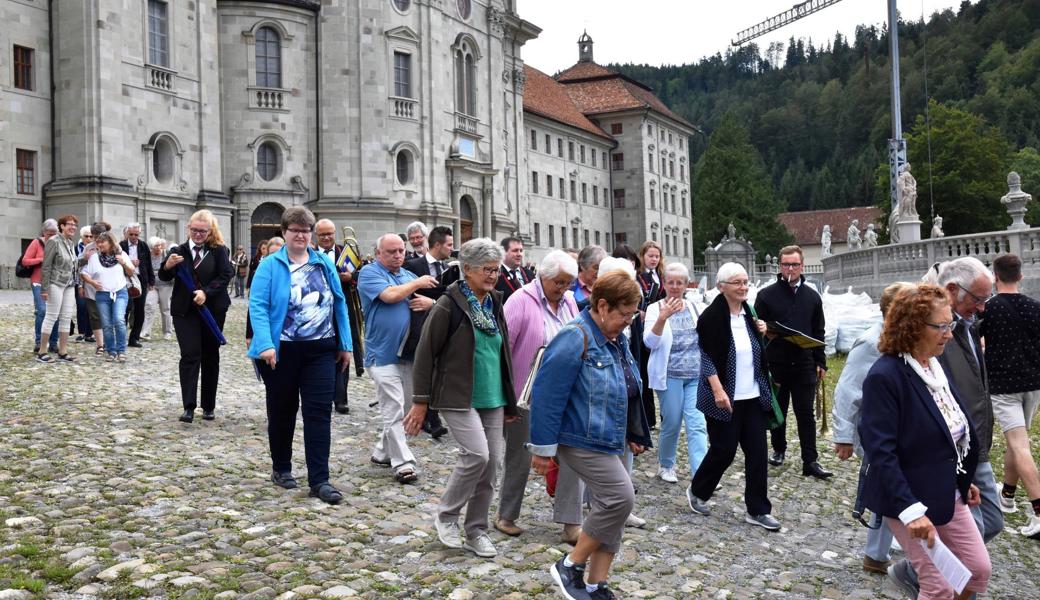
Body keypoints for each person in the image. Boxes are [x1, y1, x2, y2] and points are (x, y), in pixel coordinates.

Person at [859, 284, 990, 600]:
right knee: (938, 586)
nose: (948, 334)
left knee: (977, 569)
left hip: (946, 489)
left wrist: (962, 478)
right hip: (907, 498)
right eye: (941, 326)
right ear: (913, 326)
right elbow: (881, 452)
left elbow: (950, 430)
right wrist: (910, 510)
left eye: (951, 325)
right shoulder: (885, 376)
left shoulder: (935, 366)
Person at [529, 270, 652, 600]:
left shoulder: (616, 339)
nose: (628, 321)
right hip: (579, 437)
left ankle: (596, 584)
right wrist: (542, 448)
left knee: (614, 506)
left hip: (608, 436)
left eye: (632, 314)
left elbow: (627, 388)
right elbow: (547, 394)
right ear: (602, 306)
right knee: (620, 498)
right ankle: (570, 565)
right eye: (624, 314)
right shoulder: (575, 336)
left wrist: (633, 431)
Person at [887, 257, 1004, 595]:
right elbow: (885, 446)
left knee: (983, 547)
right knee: (946, 578)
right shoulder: (899, 367)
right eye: (978, 299)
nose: (981, 308)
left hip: (967, 451)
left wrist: (962, 473)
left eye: (986, 300)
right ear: (952, 290)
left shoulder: (963, 332)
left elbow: (965, 397)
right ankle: (921, 571)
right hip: (931, 470)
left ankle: (923, 570)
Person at [405, 238, 519, 558]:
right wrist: (420, 401)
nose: (493, 275)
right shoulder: (448, 304)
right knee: (477, 456)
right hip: (457, 395)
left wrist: (509, 400)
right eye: (487, 270)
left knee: (491, 465)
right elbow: (426, 353)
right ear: (466, 270)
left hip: (492, 397)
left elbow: (503, 353)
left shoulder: (495, 301)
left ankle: (476, 530)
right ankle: (447, 515)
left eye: (496, 270)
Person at [248, 207, 353, 505]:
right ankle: (281, 467)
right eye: (295, 230)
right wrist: (266, 343)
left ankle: (320, 479)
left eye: (306, 231)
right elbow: (257, 306)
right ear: (284, 232)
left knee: (318, 413)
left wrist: (345, 343)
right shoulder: (270, 265)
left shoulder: (322, 264)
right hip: (281, 352)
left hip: (320, 349)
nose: (301, 235)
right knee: (282, 411)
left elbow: (339, 303)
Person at [495, 250, 582, 542]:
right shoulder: (520, 301)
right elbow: (502, 348)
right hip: (525, 392)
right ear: (543, 277)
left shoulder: (570, 301)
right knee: (520, 456)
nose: (564, 288)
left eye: (568, 283)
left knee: (571, 454)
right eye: (559, 282)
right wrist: (505, 394)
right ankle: (506, 515)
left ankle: (571, 521)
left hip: (565, 392)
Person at [686, 262, 780, 531]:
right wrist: (717, 389)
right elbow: (704, 356)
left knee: (758, 453)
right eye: (737, 283)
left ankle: (758, 509)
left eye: (745, 282)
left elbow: (756, 352)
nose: (743, 287)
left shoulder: (749, 315)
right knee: (723, 450)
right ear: (722, 287)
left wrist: (764, 332)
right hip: (723, 396)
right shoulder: (711, 318)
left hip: (751, 395)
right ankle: (698, 491)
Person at [831, 282, 913, 574]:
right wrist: (843, 436)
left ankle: (879, 553)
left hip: (903, 428)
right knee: (891, 483)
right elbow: (847, 390)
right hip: (880, 430)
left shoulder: (907, 337)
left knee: (893, 484)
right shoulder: (870, 342)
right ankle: (878, 553)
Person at [357, 233, 437, 484]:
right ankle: (403, 463)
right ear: (379, 253)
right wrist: (417, 285)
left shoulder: (408, 276)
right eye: (391, 251)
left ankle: (382, 452)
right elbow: (390, 295)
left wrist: (430, 302)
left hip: (408, 352)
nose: (398, 255)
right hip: (381, 355)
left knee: (402, 407)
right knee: (393, 407)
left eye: (401, 250)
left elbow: (425, 302)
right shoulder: (370, 273)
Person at [754, 245, 831, 479]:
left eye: (794, 264)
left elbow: (819, 331)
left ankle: (811, 460)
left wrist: (821, 362)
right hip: (776, 362)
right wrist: (765, 332)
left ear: (802, 266)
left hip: (804, 363)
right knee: (779, 411)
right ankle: (778, 450)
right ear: (780, 266)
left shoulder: (812, 297)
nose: (790, 268)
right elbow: (755, 327)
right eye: (786, 264)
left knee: (805, 413)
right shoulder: (766, 295)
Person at [980, 254, 1040, 537]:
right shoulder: (1035, 307)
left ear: (995, 276)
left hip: (1004, 386)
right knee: (1019, 441)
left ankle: (1039, 513)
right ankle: (1007, 496)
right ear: (1021, 276)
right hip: (1033, 383)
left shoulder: (988, 309)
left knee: (1019, 445)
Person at [158, 210, 234, 423]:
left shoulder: (219, 250)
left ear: (210, 231)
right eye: (195, 230)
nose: (198, 234)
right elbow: (164, 276)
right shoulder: (178, 251)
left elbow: (226, 274)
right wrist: (168, 265)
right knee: (190, 355)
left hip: (213, 310)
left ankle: (208, 405)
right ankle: (188, 406)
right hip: (185, 311)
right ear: (188, 228)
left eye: (203, 231)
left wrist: (206, 292)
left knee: (210, 356)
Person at [644, 262, 706, 485]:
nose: (675, 286)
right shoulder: (654, 309)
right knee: (671, 422)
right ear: (665, 284)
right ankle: (666, 464)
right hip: (669, 375)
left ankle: (701, 473)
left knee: (697, 423)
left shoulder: (695, 307)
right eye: (670, 282)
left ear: (686, 285)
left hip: (695, 375)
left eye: (679, 282)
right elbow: (650, 343)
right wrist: (662, 318)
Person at [402, 225, 454, 438]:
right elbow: (411, 295)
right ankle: (431, 419)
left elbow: (452, 294)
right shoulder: (413, 265)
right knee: (424, 371)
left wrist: (433, 301)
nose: (452, 248)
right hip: (420, 327)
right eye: (449, 244)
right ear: (438, 245)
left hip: (444, 325)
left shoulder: (451, 268)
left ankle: (432, 416)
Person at [314, 218, 364, 416]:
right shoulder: (310, 254)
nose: (327, 238)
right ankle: (322, 395)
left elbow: (363, 274)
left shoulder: (346, 252)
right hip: (317, 311)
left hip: (344, 310)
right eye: (322, 234)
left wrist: (351, 277)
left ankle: (341, 399)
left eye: (330, 234)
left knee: (344, 350)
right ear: (316, 236)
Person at [80, 231, 135, 363]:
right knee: (106, 324)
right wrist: (92, 282)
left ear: (110, 242)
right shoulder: (94, 257)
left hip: (120, 292)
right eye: (98, 242)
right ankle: (111, 351)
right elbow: (84, 273)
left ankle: (121, 350)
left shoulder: (121, 255)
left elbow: (131, 271)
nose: (99, 244)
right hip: (102, 295)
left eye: (102, 242)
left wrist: (124, 263)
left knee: (119, 320)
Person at [37, 215, 81, 363]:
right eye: (69, 224)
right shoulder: (53, 241)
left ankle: (63, 351)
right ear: (61, 226)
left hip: (69, 285)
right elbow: (46, 266)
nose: (73, 227)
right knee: (51, 316)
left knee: (66, 317)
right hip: (55, 283)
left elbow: (72, 264)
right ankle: (42, 351)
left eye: (75, 225)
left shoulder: (70, 242)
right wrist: (44, 289)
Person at [637, 241, 665, 430]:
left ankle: (664, 414)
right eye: (650, 256)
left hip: (661, 324)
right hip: (644, 325)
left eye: (657, 256)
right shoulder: (638, 277)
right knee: (645, 373)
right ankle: (648, 417)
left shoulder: (661, 276)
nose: (654, 259)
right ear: (643, 256)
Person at [24, 219, 60, 355]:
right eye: (49, 234)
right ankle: (39, 342)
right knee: (42, 311)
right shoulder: (37, 243)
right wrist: (41, 259)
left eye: (54, 233)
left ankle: (53, 343)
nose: (52, 236)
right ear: (44, 232)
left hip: (55, 282)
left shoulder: (59, 243)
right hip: (38, 281)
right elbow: (25, 260)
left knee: (55, 313)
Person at [120, 223, 154, 347]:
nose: (134, 237)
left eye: (136, 234)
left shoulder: (143, 246)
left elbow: (148, 264)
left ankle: (134, 338)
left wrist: (151, 281)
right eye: (131, 234)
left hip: (141, 279)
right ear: (127, 234)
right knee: (126, 307)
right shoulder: (121, 246)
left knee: (140, 310)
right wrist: (129, 262)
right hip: (126, 278)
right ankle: (121, 336)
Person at [142, 237, 174, 341]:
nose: (158, 247)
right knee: (149, 306)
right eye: (156, 246)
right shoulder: (148, 256)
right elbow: (145, 269)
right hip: (152, 285)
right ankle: (146, 332)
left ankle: (167, 332)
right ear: (151, 247)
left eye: (160, 245)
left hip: (166, 284)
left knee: (166, 309)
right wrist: (148, 282)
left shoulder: (166, 254)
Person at [73, 226, 95, 344]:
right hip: (79, 280)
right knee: (81, 306)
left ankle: (89, 333)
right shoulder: (76, 248)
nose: (89, 238)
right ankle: (81, 333)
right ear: (81, 237)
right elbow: (74, 264)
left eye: (91, 236)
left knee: (91, 308)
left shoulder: (96, 248)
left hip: (93, 281)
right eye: (86, 236)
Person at [495, 237, 533, 302]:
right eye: (515, 250)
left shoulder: (529, 274)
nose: (519, 254)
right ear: (503, 252)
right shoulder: (496, 275)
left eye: (521, 251)